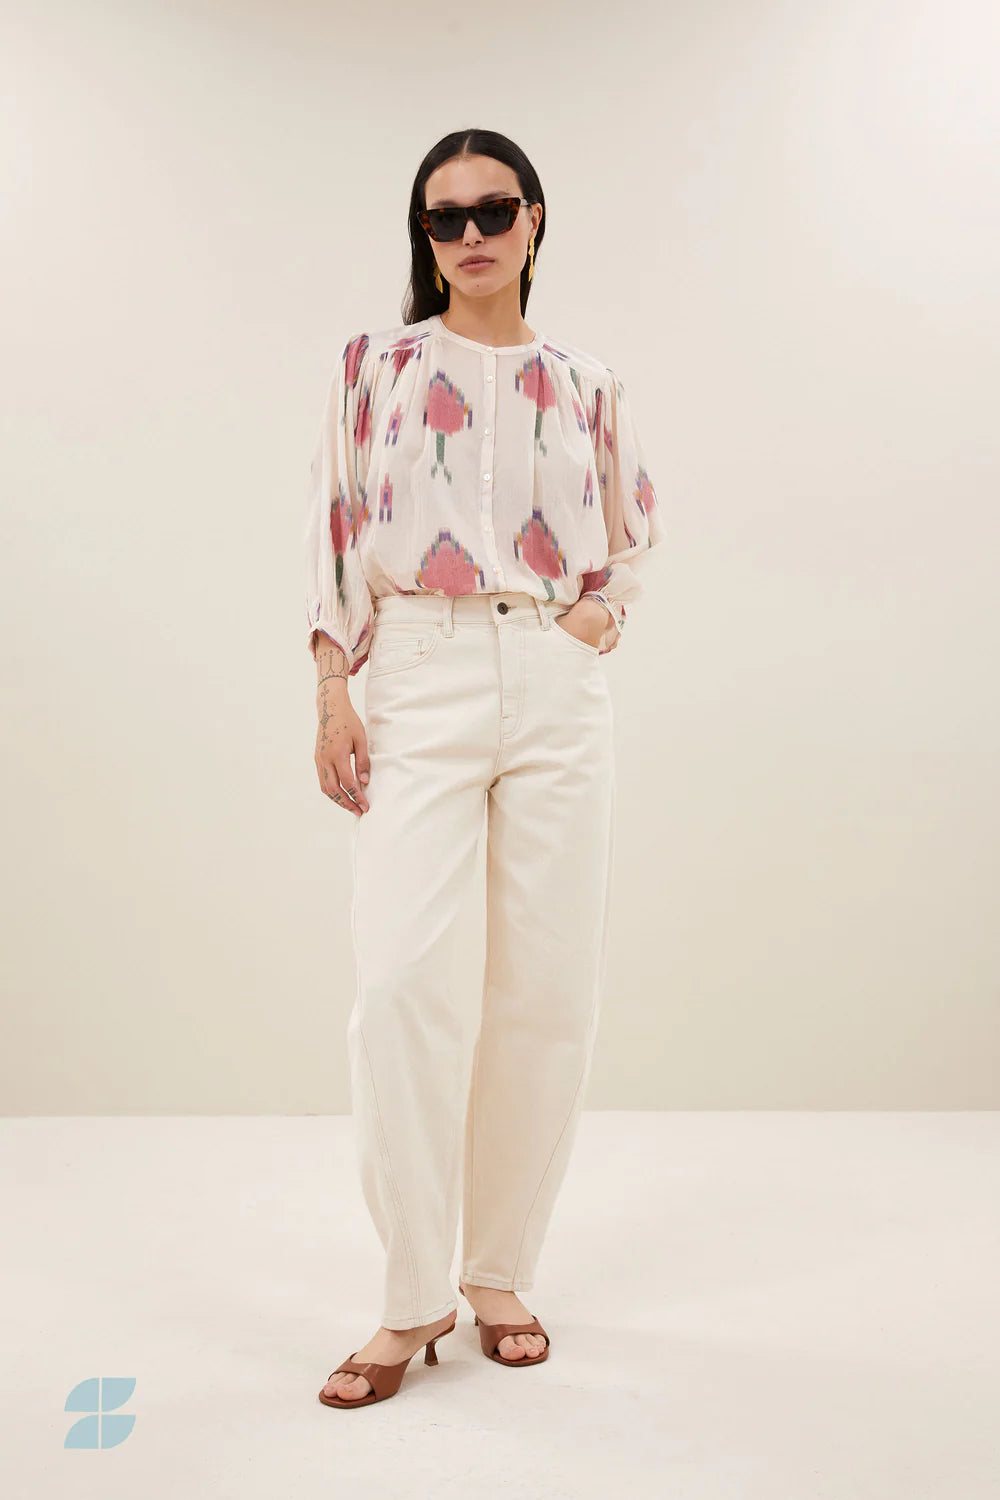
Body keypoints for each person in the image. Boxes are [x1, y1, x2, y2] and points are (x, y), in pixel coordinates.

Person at [306, 128, 666, 1409]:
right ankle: (411, 1295)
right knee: (400, 983)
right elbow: (334, 529)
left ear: (533, 220)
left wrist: (590, 624)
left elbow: (634, 532)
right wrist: (334, 688)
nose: (467, 235)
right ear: (425, 234)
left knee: (544, 987)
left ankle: (499, 1271)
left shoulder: (589, 382)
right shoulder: (375, 366)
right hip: (417, 668)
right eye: (442, 217)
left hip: (556, 677)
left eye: (491, 211)